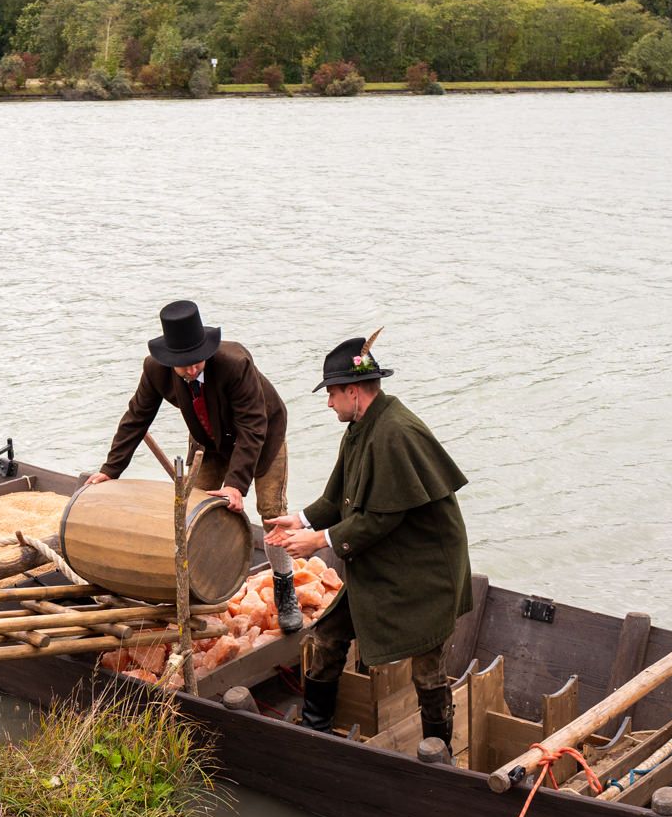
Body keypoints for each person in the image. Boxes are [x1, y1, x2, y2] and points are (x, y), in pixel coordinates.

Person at [264, 332, 472, 745]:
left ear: (354, 392)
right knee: (326, 636)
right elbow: (337, 498)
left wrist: (318, 540)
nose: (328, 403)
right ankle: (317, 730)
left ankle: (439, 751)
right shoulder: (360, 427)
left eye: (332, 394)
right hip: (384, 565)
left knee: (426, 671)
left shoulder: (396, 433)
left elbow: (379, 520)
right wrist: (299, 520)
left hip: (427, 575)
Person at [92, 300, 304, 632]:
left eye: (196, 362)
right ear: (168, 359)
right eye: (182, 365)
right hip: (209, 441)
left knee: (272, 512)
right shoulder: (154, 370)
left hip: (262, 435)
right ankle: (203, 590)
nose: (191, 370)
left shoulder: (235, 364)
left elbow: (253, 427)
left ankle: (284, 586)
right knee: (194, 511)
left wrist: (235, 485)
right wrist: (110, 469)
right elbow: (136, 418)